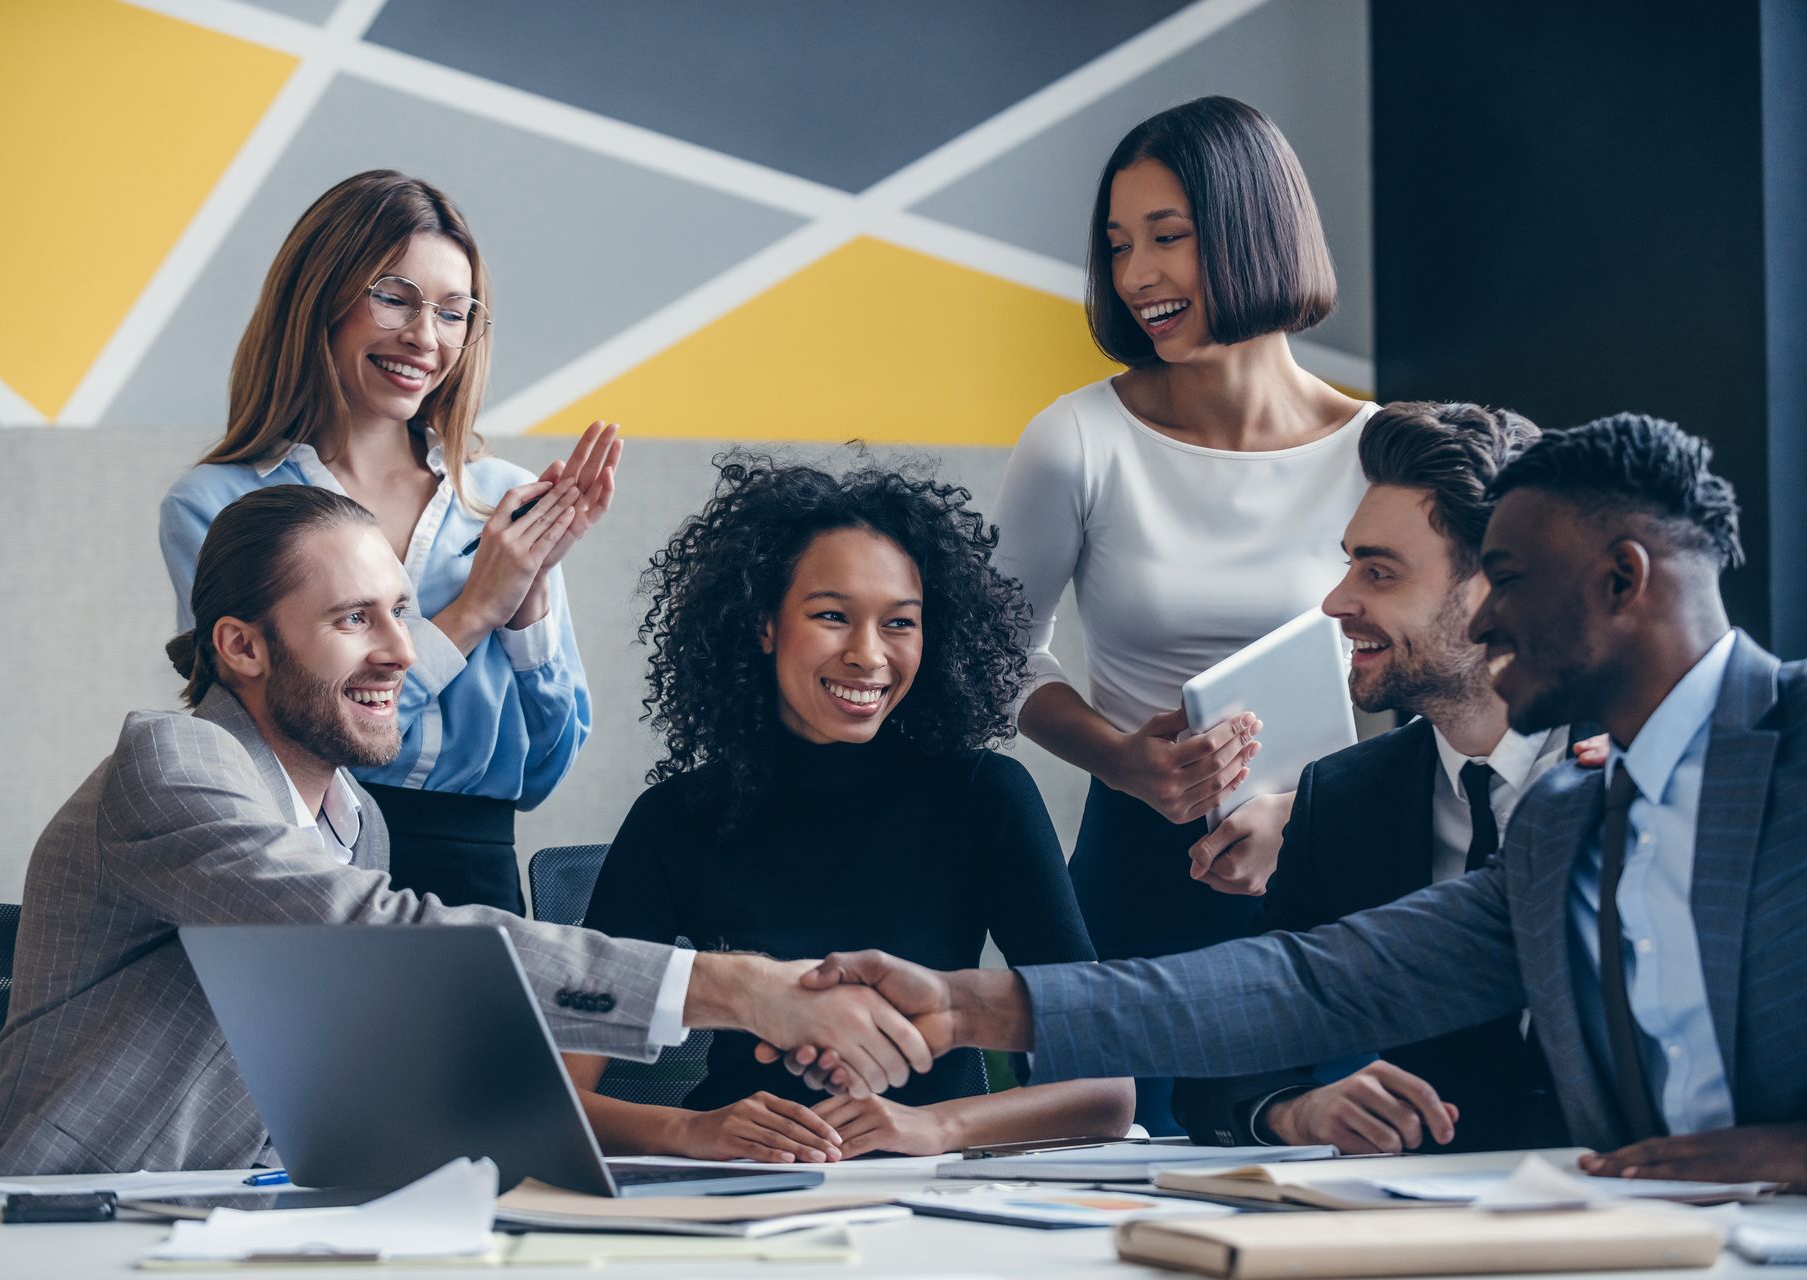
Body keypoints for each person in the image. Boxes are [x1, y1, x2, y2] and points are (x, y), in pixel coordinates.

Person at [773, 415, 1807, 1186]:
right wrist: (964, 1004)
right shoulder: (1570, 823)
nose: (1493, 615)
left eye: (1511, 577)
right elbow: (1318, 982)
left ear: (1623, 582)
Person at [0, 486, 930, 1178]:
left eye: (401, 612)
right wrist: (733, 985)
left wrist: (680, 1134)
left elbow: (365, 1085)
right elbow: (372, 929)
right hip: (41, 1211)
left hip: (211, 1220)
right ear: (241, 644)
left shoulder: (353, 818)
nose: (404, 650)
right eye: (356, 619)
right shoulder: (176, 765)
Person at [563, 458, 1134, 1162]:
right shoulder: (675, 818)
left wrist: (938, 1126)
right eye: (832, 616)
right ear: (764, 624)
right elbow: (554, 1092)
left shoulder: (986, 796)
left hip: (934, 1188)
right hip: (737, 1186)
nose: (868, 656)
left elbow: (1109, 1091)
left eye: (900, 623)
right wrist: (693, 1132)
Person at [988, 96, 1376, 1130]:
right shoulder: (1076, 439)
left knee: (1331, 1182)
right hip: (1132, 871)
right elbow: (991, 661)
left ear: (1258, 228)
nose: (1138, 276)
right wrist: (1123, 755)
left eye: (1169, 236)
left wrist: (1303, 808)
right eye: (1119, 245)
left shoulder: (1381, 452)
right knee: (1107, 1183)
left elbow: (1441, 690)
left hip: (1323, 869)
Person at [161, 169, 613, 915]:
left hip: (479, 876)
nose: (424, 337)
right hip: (302, 862)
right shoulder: (216, 504)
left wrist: (527, 607)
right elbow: (271, 737)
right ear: (321, 296)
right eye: (394, 296)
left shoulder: (503, 498)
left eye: (454, 312)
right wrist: (474, 612)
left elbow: (542, 775)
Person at [1175, 401, 1580, 1154]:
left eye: (1379, 572)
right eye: (1349, 562)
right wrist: (1296, 1112)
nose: (1336, 602)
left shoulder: (1649, 764)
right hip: (1432, 1234)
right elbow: (1225, 1064)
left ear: (1495, 591)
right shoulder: (1345, 799)